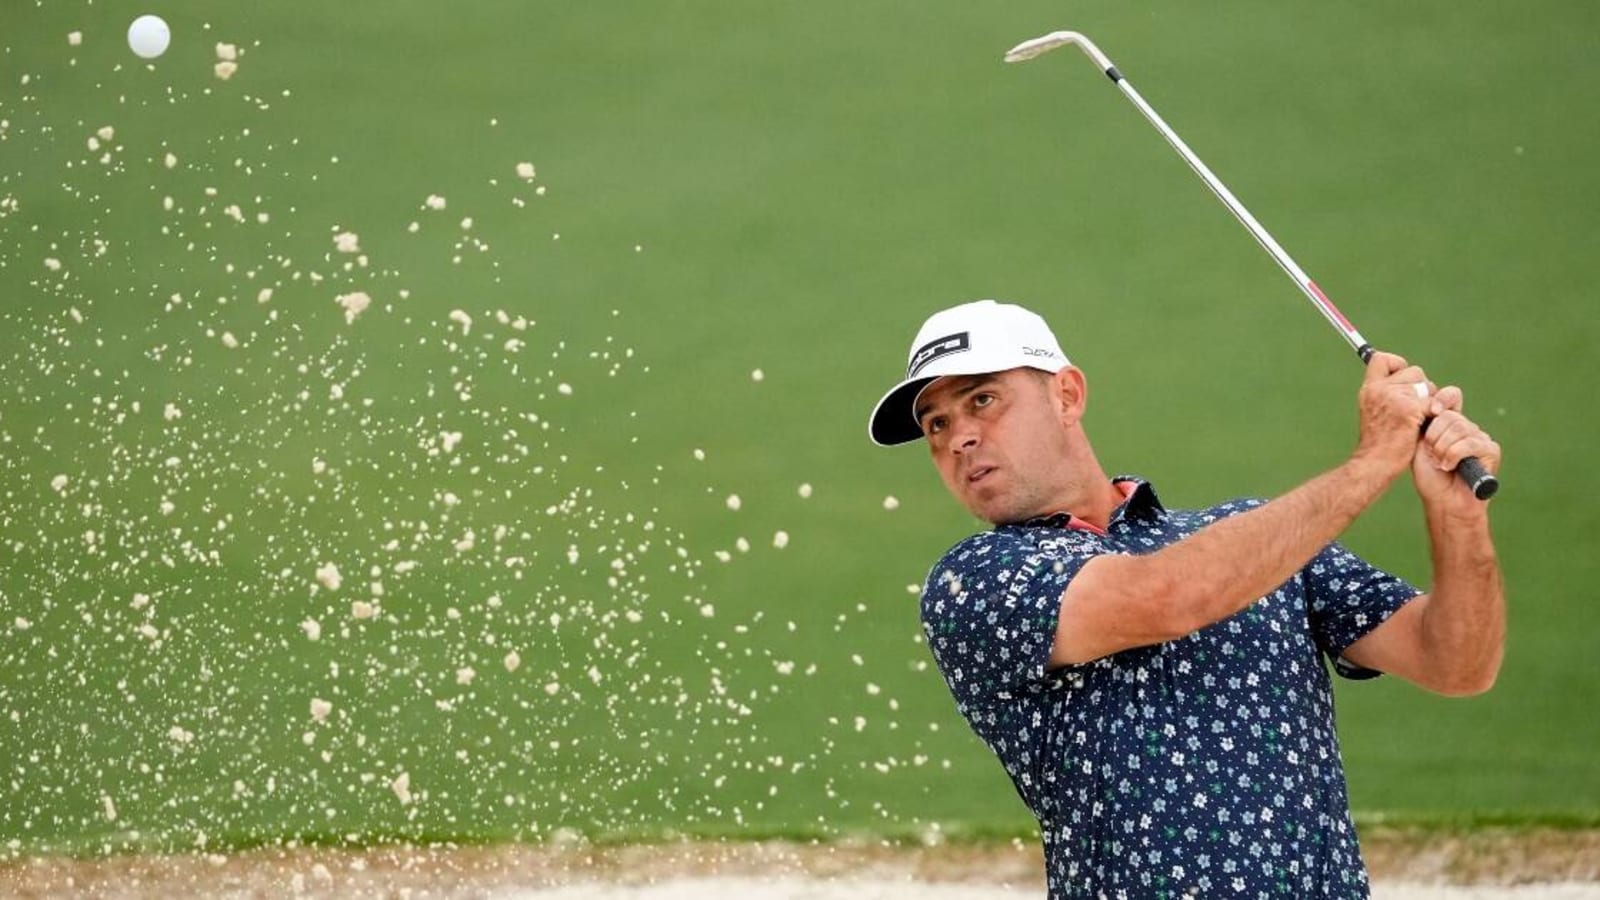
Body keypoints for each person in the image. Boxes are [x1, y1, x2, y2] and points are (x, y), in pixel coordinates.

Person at [867, 299, 1504, 900]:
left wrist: (1458, 519)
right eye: (937, 424)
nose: (959, 438)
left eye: (983, 400)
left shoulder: (1256, 538)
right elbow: (1170, 597)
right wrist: (1374, 460)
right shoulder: (976, 579)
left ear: (1066, 394)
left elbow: (1456, 664)